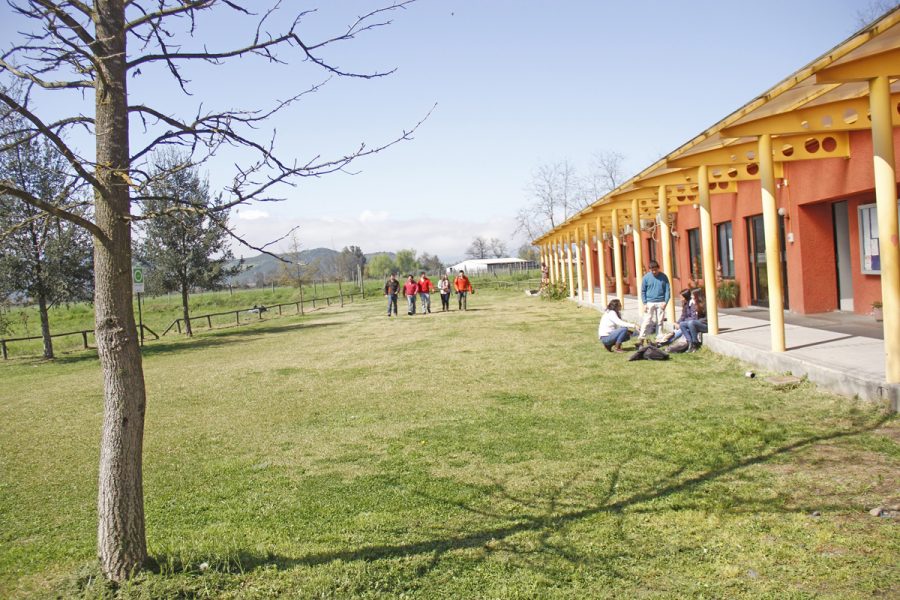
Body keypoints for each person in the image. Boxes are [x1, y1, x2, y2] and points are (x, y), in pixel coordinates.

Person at [637, 260, 671, 344]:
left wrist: (665, 302)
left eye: (655, 269)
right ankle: (641, 337)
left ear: (658, 268)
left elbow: (667, 290)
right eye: (652, 270)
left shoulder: (664, 277)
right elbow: (643, 291)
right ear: (649, 269)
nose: (654, 271)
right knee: (647, 320)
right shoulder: (646, 278)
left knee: (660, 320)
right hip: (649, 302)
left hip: (661, 301)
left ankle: (659, 337)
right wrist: (645, 303)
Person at [682, 288, 708, 352]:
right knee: (682, 324)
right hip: (698, 323)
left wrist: (697, 321)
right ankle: (690, 342)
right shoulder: (695, 303)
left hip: (706, 325)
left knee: (691, 323)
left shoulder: (706, 304)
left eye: (693, 295)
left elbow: (707, 318)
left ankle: (695, 344)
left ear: (697, 296)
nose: (691, 297)